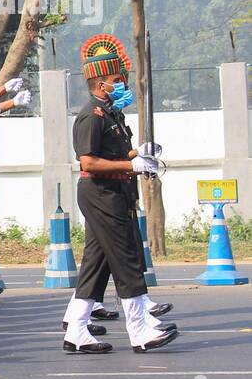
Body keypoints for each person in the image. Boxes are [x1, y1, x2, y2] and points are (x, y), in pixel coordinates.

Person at [61, 35, 178, 354]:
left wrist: (138, 153)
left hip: (114, 190)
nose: (122, 83)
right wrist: (131, 165)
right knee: (126, 258)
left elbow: (117, 151)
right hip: (101, 192)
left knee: (97, 263)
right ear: (100, 85)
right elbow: (88, 160)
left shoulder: (111, 114)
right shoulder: (91, 115)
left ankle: (77, 329)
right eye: (116, 80)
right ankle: (139, 329)